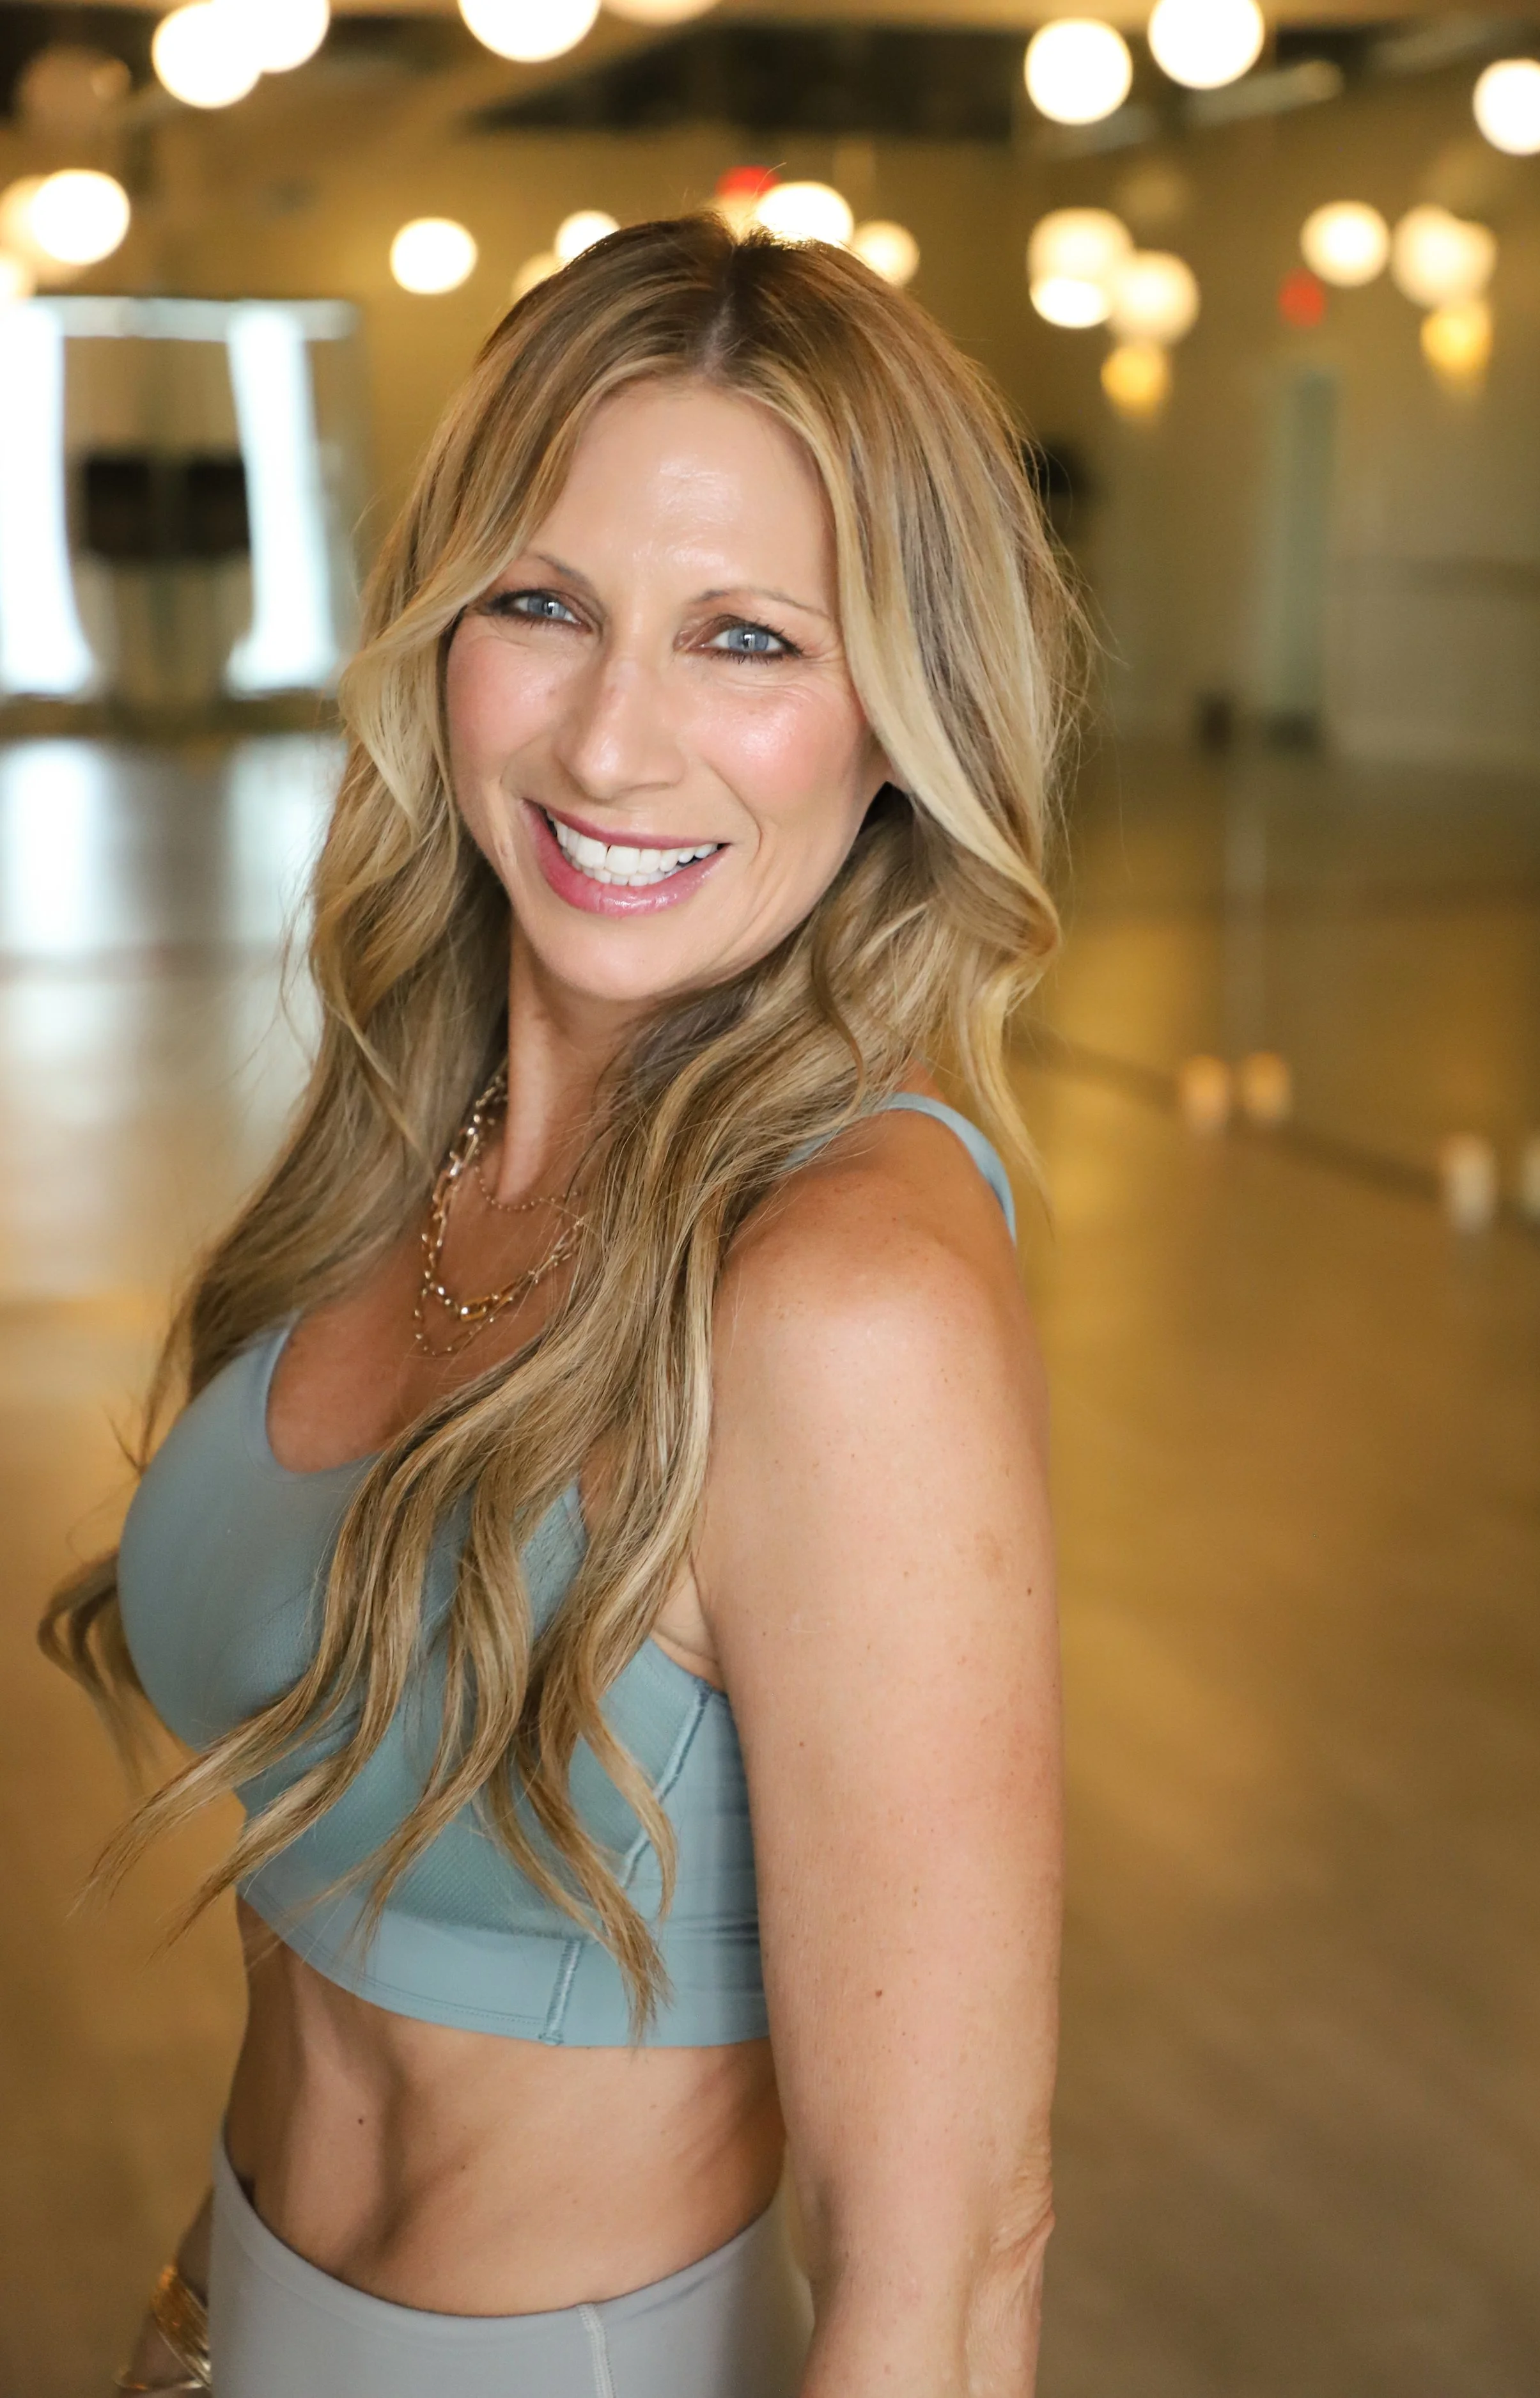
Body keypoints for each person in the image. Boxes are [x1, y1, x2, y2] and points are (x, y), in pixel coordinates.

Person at [44, 214, 1082, 2397]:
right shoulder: (399, 1153)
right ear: (439, 633)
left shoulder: (839, 1297)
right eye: (542, 604)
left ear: (897, 714)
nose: (615, 742)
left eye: (747, 641)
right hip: (228, 2316)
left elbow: (954, 2262)